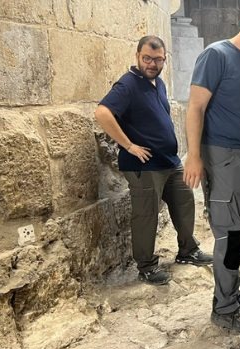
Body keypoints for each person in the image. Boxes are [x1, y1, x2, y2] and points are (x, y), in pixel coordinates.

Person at [183, 9, 240, 331]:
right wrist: (193, 156)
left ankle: (232, 296)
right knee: (230, 234)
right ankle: (224, 309)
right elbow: (195, 107)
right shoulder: (216, 56)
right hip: (220, 155)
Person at [95, 35, 213, 286]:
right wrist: (128, 145)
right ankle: (146, 267)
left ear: (164, 60)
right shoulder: (127, 85)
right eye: (147, 58)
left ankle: (187, 251)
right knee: (145, 216)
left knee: (184, 202)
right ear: (137, 56)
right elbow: (102, 112)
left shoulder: (158, 83)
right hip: (143, 166)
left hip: (169, 161)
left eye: (158, 59)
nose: (152, 64)